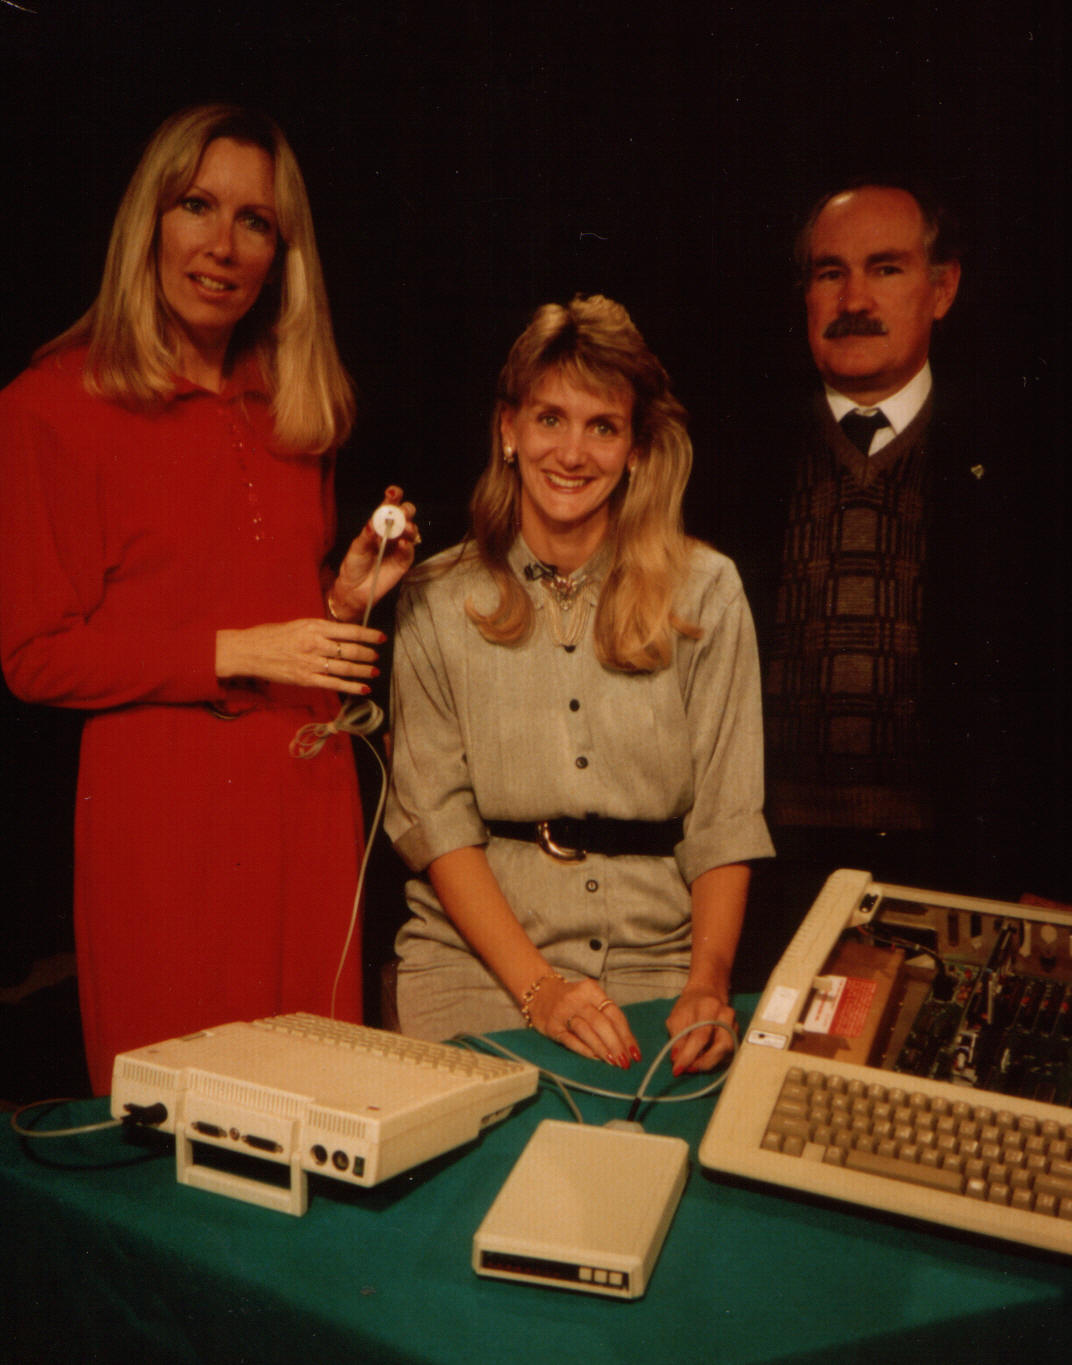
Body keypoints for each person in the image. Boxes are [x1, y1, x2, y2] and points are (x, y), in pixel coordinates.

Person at [0, 105, 416, 1095]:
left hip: (306, 796)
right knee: (183, 1114)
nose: (222, 246)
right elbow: (34, 655)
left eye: (255, 221)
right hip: (164, 814)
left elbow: (274, 607)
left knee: (321, 1102)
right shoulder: (49, 404)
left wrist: (343, 598)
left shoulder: (295, 400)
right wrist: (239, 650)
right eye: (197, 206)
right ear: (149, 219)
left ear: (282, 252)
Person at [385, 295, 773, 1073]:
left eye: (603, 426)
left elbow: (726, 819)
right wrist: (542, 992)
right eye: (549, 418)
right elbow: (437, 823)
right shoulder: (434, 597)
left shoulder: (708, 591)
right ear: (508, 429)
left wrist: (706, 982)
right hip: (474, 967)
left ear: (635, 449)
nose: (573, 452)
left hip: (656, 963)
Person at [721, 181, 1045, 984]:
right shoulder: (733, 457)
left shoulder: (1023, 465)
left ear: (943, 287)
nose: (854, 300)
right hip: (764, 871)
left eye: (886, 269)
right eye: (830, 273)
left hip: (963, 871)